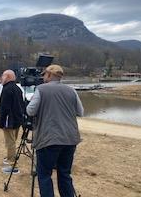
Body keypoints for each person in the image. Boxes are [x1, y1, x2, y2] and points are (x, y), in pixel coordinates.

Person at [26, 65, 84, 197]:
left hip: (48, 139)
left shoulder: (41, 89)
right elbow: (81, 112)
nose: (43, 77)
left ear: (50, 75)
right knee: (64, 174)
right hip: (70, 139)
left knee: (45, 175)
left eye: (44, 74)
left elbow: (30, 111)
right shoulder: (71, 90)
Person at [0, 70, 25, 174]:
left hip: (9, 120)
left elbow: (4, 108)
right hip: (17, 120)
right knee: (13, 140)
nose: (1, 78)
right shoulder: (18, 88)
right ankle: (10, 157)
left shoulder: (7, 89)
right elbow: (22, 105)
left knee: (10, 142)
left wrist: (1, 122)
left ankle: (13, 165)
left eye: (3, 76)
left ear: (8, 77)